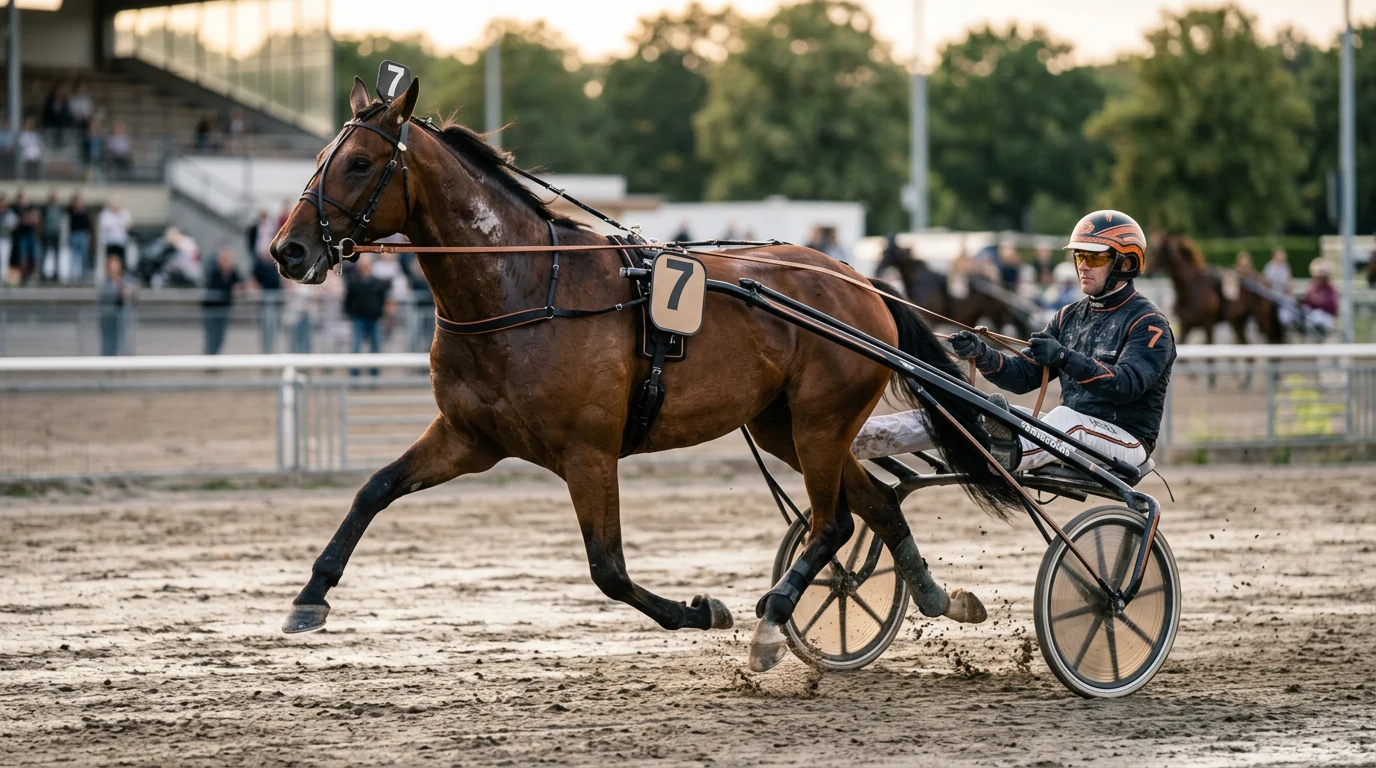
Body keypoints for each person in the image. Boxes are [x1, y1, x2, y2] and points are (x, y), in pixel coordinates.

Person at [853, 210, 1176, 476]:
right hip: (1066, 432)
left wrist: (1064, 357)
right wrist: (983, 354)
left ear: (1125, 263)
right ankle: (855, 440)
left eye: (1094, 258)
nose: (1082, 266)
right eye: (1079, 256)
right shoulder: (1068, 316)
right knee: (961, 409)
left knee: (1064, 419)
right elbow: (1022, 377)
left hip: (1126, 441)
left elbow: (1127, 385)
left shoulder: (1148, 323)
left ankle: (994, 457)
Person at [343, 255, 391, 376]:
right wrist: (350, 313)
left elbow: (383, 300)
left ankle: (374, 375)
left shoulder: (378, 283)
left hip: (374, 319)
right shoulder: (354, 283)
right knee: (356, 347)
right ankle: (354, 375)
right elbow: (348, 300)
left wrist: (381, 313)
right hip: (358, 319)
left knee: (375, 348)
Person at [202, 247, 244, 355]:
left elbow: (240, 283)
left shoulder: (233, 272)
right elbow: (217, 287)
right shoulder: (214, 271)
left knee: (220, 337)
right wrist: (232, 288)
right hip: (211, 309)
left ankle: (214, 358)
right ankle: (209, 358)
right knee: (211, 336)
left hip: (224, 309)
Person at [250, 244, 284, 353]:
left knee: (274, 330)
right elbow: (253, 280)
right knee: (266, 330)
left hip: (277, 301)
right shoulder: (260, 265)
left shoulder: (277, 264)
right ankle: (266, 352)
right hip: (266, 301)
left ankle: (272, 352)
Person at [98, 254, 133, 356]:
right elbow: (104, 296)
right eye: (113, 265)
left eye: (117, 265)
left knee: (122, 343)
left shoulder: (125, 280)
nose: (115, 267)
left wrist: (129, 292)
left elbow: (134, 290)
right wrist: (119, 293)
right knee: (108, 344)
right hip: (108, 320)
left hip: (121, 319)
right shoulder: (105, 282)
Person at [1300, 259, 1339, 340]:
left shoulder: (1330, 289)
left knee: (1316, 316)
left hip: (1326, 319)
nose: (1318, 279)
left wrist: (1319, 303)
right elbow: (1308, 301)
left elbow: (1333, 307)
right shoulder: (1312, 287)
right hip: (1311, 318)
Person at [97, 199, 132, 266]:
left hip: (120, 242)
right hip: (109, 241)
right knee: (110, 259)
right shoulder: (106, 214)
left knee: (120, 259)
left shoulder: (124, 213)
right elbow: (103, 226)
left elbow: (128, 225)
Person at [67, 194, 92, 284]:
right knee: (74, 257)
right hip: (74, 235)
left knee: (83, 257)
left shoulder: (85, 213)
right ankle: (73, 276)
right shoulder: (71, 212)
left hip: (83, 236)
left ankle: (82, 276)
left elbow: (89, 227)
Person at [40, 191, 64, 282]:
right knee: (44, 255)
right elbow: (41, 221)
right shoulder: (45, 208)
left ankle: (56, 274)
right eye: (52, 197)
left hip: (56, 235)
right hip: (46, 234)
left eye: (55, 197)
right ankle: (42, 274)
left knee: (56, 256)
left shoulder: (59, 208)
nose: (53, 199)